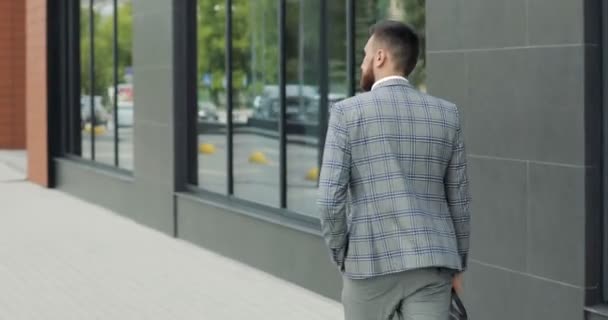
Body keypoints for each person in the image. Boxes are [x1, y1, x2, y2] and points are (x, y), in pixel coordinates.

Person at [317, 20, 471, 320]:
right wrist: (457, 264)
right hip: (431, 263)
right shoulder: (446, 114)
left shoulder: (347, 113)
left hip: (369, 262)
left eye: (365, 55)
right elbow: (460, 202)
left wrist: (342, 253)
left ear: (380, 57)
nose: (362, 63)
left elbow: (328, 200)